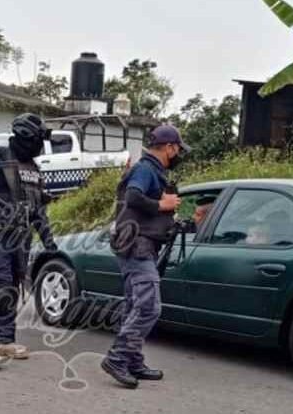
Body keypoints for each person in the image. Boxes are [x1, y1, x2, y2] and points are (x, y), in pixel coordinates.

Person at [103, 124, 189, 389]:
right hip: (136, 246)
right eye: (178, 149)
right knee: (149, 306)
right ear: (169, 147)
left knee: (134, 305)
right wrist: (162, 204)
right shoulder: (145, 169)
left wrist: (175, 217)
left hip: (141, 245)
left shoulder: (155, 171)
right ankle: (117, 358)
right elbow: (133, 197)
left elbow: (147, 211)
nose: (179, 154)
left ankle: (133, 360)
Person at [0, 113, 58, 369]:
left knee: (15, 287)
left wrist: (49, 240)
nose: (40, 146)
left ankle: (6, 340)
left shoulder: (34, 168)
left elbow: (38, 209)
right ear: (25, 137)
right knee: (1, 286)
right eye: (38, 140)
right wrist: (1, 216)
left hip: (21, 238)